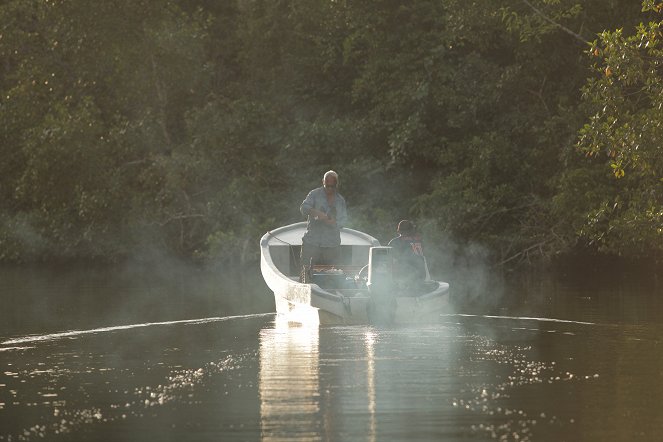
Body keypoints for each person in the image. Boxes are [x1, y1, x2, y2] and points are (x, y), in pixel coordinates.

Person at [299, 170, 348, 269]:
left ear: (336, 185)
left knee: (333, 276)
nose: (329, 189)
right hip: (312, 242)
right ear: (323, 182)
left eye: (332, 186)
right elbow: (303, 208)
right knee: (306, 273)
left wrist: (334, 223)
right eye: (327, 186)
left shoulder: (340, 200)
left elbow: (343, 220)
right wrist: (316, 213)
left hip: (332, 245)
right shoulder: (314, 194)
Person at [387, 220, 427, 285]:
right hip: (422, 276)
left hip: (405, 278)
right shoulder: (420, 240)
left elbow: (387, 260)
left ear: (399, 231)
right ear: (412, 230)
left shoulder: (395, 242)